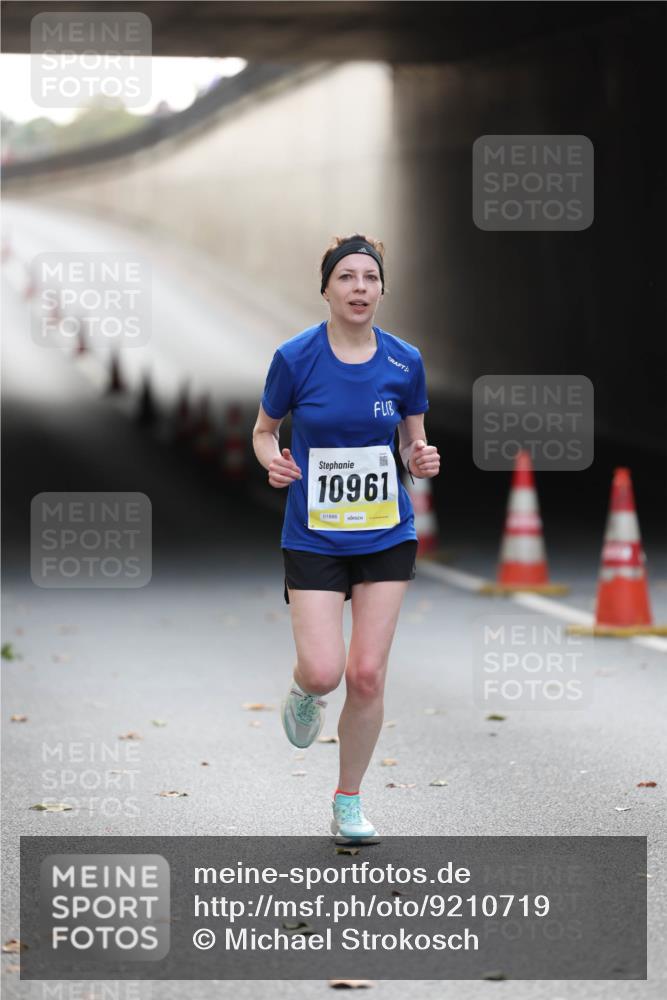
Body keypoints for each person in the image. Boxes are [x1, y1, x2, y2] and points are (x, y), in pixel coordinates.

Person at [252, 233, 440, 842]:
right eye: (347, 278)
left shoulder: (404, 360)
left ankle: (348, 802)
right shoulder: (295, 358)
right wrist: (272, 459)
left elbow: (414, 440)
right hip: (314, 535)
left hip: (386, 533)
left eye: (370, 278)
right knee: (326, 670)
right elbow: (264, 430)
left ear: (383, 288)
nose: (360, 288)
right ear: (327, 288)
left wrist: (422, 455)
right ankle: (305, 692)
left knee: (366, 676)